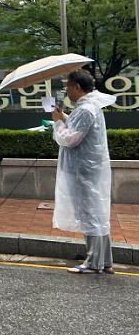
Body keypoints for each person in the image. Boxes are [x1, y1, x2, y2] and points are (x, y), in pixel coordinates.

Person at [52, 69, 116, 274]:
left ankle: (93, 263)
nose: (66, 90)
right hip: (89, 170)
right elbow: (78, 126)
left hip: (83, 171)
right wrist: (63, 116)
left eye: (67, 86)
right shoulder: (88, 107)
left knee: (90, 216)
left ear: (77, 87)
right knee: (96, 214)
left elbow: (70, 138)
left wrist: (57, 122)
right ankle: (104, 261)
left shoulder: (85, 109)